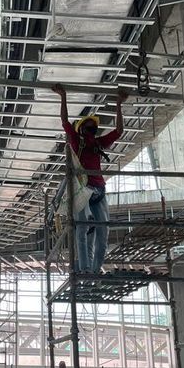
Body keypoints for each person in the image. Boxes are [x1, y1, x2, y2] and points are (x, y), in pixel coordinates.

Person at [52, 83, 127, 274]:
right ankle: (85, 269)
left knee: (104, 233)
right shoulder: (77, 140)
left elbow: (119, 131)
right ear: (82, 129)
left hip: (99, 190)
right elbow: (64, 122)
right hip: (83, 190)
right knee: (82, 229)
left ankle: (95, 270)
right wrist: (63, 96)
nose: (93, 127)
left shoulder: (99, 142)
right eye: (89, 125)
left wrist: (119, 105)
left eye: (94, 126)